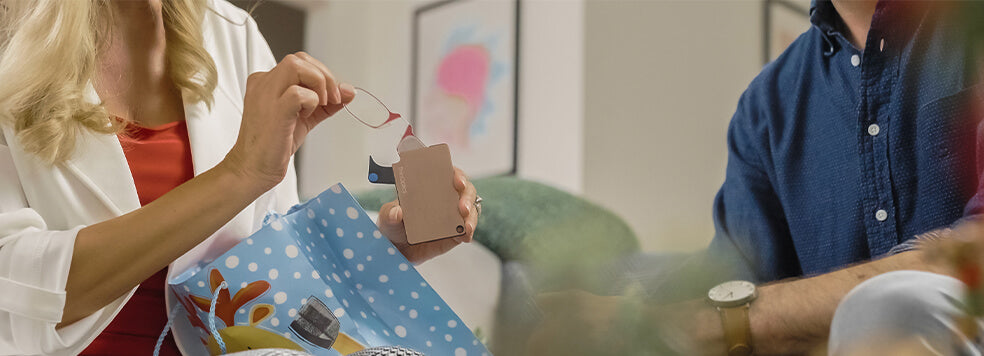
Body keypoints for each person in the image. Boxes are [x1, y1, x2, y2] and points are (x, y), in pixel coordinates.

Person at [0, 1, 480, 355]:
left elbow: (270, 258)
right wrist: (241, 174)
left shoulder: (233, 35)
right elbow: (17, 280)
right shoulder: (11, 37)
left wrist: (387, 248)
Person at [529, 0, 984, 354]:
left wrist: (686, 324)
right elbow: (736, 289)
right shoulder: (766, 108)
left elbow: (972, 260)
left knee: (888, 306)